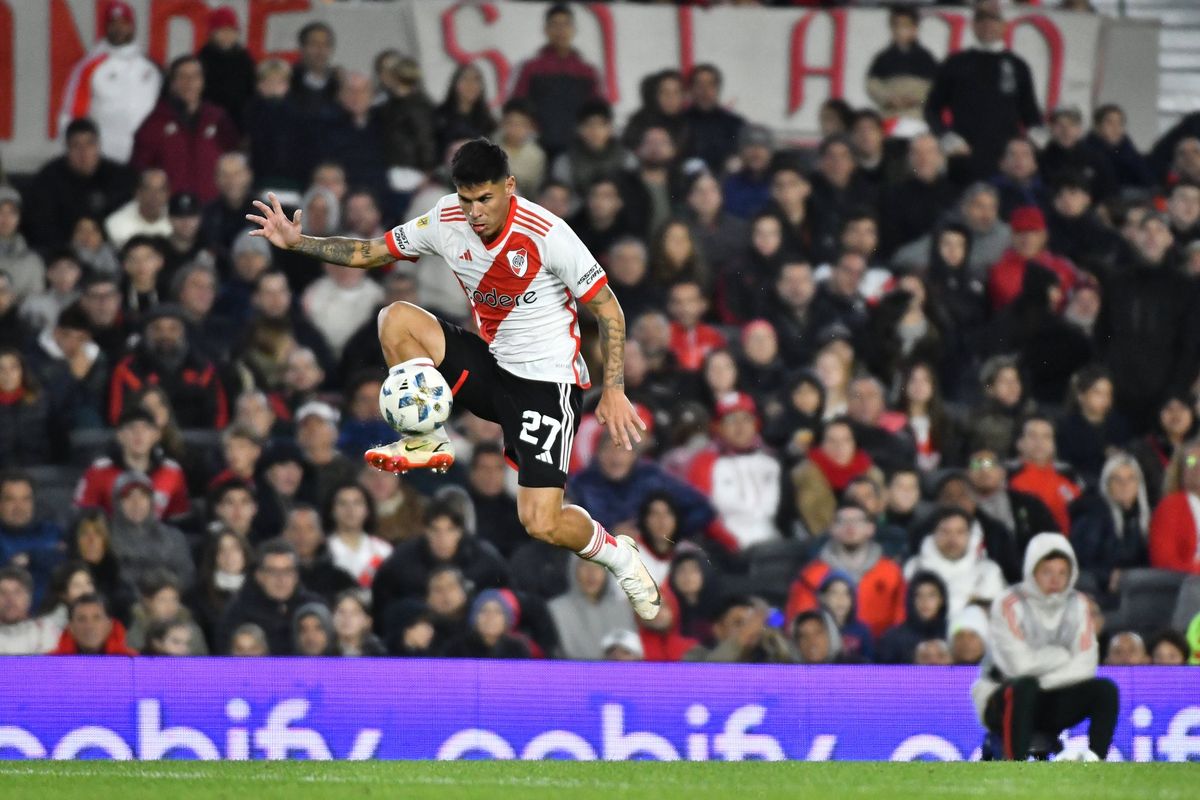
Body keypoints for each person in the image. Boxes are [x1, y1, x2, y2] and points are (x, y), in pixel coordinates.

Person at [249, 138, 668, 612]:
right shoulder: (445, 218)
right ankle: (427, 438)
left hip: (547, 386)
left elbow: (608, 309)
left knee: (541, 522)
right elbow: (370, 252)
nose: (475, 212)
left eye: (485, 198)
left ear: (509, 186)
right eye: (466, 199)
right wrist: (298, 242)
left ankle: (620, 556)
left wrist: (614, 389)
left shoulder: (547, 233)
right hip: (493, 367)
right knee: (395, 318)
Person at [972, 533, 1117, 762]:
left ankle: (1095, 761)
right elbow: (1018, 668)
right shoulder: (1008, 603)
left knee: (1105, 690)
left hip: (1052, 697)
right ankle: (1014, 764)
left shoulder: (1079, 605)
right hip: (1000, 696)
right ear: (1032, 571)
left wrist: (1042, 674)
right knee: (1024, 687)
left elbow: (1086, 666)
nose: (1055, 580)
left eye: (1062, 573)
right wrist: (1061, 656)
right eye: (1047, 572)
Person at [924, 5, 1042, 181]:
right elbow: (931, 109)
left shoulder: (1018, 66)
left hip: (1005, 162)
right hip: (964, 158)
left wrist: (1035, 138)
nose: (987, 24)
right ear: (973, 25)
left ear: (1004, 25)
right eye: (981, 19)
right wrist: (945, 136)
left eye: (993, 19)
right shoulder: (955, 63)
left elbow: (1030, 113)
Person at [57, 0, 161, 163]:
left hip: (145, 158)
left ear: (132, 26)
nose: (118, 28)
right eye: (113, 23)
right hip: (103, 159)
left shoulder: (151, 68)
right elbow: (71, 116)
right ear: (105, 27)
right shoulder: (88, 67)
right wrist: (75, 158)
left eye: (123, 23)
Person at [786, 500, 906, 639]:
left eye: (857, 521)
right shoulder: (811, 575)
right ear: (832, 529)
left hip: (883, 650)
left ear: (870, 528)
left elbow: (902, 622)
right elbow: (800, 624)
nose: (850, 526)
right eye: (842, 521)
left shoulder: (891, 573)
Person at [131, 56, 238, 204]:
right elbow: (140, 169)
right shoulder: (155, 123)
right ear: (172, 82)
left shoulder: (217, 118)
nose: (190, 82)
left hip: (212, 208)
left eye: (195, 76)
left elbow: (234, 161)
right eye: (183, 76)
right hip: (170, 209)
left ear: (202, 81)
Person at [107, 304, 229, 428]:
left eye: (173, 329)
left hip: (200, 439)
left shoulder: (204, 370)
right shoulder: (128, 370)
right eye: (157, 329)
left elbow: (219, 417)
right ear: (146, 333)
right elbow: (116, 417)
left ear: (183, 332)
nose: (165, 335)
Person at [24, 119, 136, 250]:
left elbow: (129, 219)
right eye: (76, 146)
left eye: (90, 144)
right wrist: (69, 246)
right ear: (67, 149)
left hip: (110, 250)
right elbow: (39, 225)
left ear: (98, 146)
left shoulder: (120, 177)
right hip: (61, 251)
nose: (84, 153)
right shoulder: (48, 178)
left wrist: (102, 239)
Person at [509, 3, 602, 159]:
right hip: (538, 148)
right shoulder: (531, 68)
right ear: (546, 30)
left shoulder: (587, 71)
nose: (561, 30)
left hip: (577, 150)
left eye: (565, 25)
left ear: (574, 30)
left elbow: (595, 111)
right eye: (555, 25)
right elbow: (518, 107)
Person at [74, 408, 189, 521]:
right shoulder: (99, 471)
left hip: (157, 532)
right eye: (131, 427)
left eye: (146, 428)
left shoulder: (171, 471)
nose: (138, 434)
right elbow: (82, 519)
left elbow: (179, 520)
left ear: (156, 435)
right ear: (119, 435)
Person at [216, 539, 323, 654]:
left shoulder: (314, 607)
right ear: (259, 576)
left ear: (296, 575)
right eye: (273, 571)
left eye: (287, 571)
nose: (281, 579)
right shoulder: (237, 611)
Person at [791, 418, 884, 538]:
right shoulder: (804, 476)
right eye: (831, 441)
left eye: (846, 440)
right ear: (821, 444)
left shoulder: (872, 475)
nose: (839, 446)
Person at [905, 507, 1006, 617]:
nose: (952, 539)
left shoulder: (988, 572)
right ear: (933, 534)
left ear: (970, 535)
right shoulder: (914, 568)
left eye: (960, 532)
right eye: (945, 532)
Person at [108, 471, 194, 591]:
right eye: (128, 497)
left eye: (143, 496)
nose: (136, 503)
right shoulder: (105, 539)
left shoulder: (174, 538)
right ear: (117, 503)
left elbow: (186, 577)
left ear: (151, 501)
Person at [548, 557, 636, 660]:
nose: (592, 573)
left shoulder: (622, 609)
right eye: (585, 565)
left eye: (599, 566)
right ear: (573, 569)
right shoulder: (556, 610)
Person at [1008, 416, 1083, 535]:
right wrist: (984, 461)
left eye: (1046, 437)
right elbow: (981, 462)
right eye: (1032, 436)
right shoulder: (1005, 472)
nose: (1039, 442)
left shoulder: (1068, 473)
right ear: (1019, 443)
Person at [866, 7, 939, 122]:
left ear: (915, 29)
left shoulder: (926, 58)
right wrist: (888, 99)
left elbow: (935, 89)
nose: (899, 30)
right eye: (896, 25)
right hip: (890, 117)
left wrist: (916, 99)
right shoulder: (883, 57)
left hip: (917, 117)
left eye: (905, 26)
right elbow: (872, 85)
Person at [684, 595, 797, 664]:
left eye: (752, 622)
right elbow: (708, 679)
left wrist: (776, 642)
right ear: (718, 629)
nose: (750, 629)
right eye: (738, 623)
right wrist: (741, 638)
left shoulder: (768, 654)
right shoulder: (697, 655)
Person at [324, 483, 392, 589]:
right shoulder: (323, 549)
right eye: (343, 503)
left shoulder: (383, 550)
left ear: (367, 510)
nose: (350, 509)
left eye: (357, 503)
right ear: (332, 511)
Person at [1148, 439, 1200, 574]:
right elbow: (1164, 562)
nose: (1198, 467)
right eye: (1191, 462)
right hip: (1186, 582)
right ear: (1181, 470)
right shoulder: (1170, 507)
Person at [876, 571, 949, 664]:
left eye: (931, 595)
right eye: (918, 595)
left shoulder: (951, 632)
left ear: (941, 600)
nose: (925, 601)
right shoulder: (893, 638)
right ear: (911, 600)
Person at [683, 64, 745, 174]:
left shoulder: (735, 123)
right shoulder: (680, 121)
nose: (705, 91)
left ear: (718, 88)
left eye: (710, 84)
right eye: (699, 85)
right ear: (691, 89)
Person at [442, 589, 532, 659]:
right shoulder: (456, 649)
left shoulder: (517, 649)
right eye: (484, 611)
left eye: (497, 612)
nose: (490, 617)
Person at [50, 592, 138, 656]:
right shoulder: (50, 663)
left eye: (97, 618)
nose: (89, 626)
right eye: (81, 619)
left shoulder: (132, 661)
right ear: (71, 627)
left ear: (109, 625)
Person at [0, 566, 62, 654]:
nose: (10, 599)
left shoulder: (45, 631)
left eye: (17, 592)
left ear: (29, 598)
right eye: (3, 592)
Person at [332, 590, 386, 656]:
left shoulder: (379, 653)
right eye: (341, 612)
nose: (347, 617)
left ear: (367, 621)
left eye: (354, 613)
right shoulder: (324, 651)